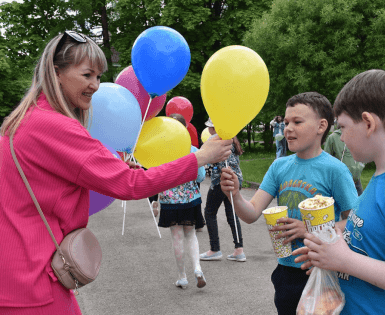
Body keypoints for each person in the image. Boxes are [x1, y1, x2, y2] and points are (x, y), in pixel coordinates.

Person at [0, 31, 233, 314]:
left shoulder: (27, 119)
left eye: (98, 76)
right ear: (56, 72)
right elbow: (131, 185)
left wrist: (112, 169)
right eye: (87, 74)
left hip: (17, 275)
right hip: (34, 284)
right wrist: (199, 158)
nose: (95, 85)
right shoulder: (54, 125)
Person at [294, 70, 385, 314]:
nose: (341, 138)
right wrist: (328, 255)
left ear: (369, 123)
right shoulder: (382, 176)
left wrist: (346, 261)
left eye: (342, 127)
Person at [220, 92, 358, 315]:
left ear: (321, 126)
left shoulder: (335, 170)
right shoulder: (279, 167)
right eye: (286, 122)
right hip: (285, 271)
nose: (288, 128)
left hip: (321, 271)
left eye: (297, 122)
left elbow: (354, 221)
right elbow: (251, 213)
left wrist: (311, 230)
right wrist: (235, 194)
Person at [157, 113, 207, 289]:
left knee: (177, 238)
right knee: (191, 234)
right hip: (191, 199)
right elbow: (200, 176)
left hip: (170, 202)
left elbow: (156, 175)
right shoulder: (192, 149)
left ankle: (182, 277)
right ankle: (198, 269)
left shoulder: (162, 150)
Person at [200, 118, 246, 262]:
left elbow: (213, 161)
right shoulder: (231, 139)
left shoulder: (218, 141)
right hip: (234, 180)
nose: (209, 130)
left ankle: (214, 249)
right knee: (232, 214)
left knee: (209, 213)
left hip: (221, 181)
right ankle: (239, 250)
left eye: (211, 127)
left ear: (216, 128)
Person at [324, 124, 365, 196]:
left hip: (356, 182)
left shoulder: (358, 135)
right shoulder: (333, 137)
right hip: (340, 183)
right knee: (344, 206)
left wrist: (360, 166)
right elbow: (326, 160)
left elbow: (363, 152)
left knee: (361, 205)